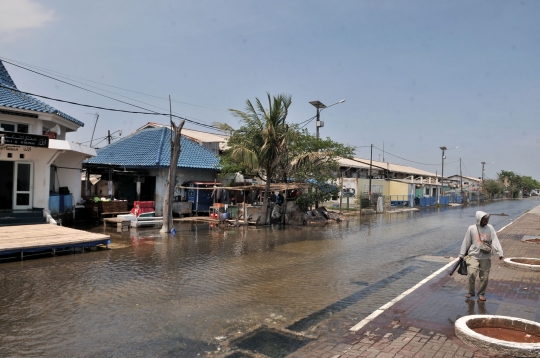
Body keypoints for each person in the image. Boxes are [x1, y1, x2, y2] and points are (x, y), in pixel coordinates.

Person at [459, 211, 504, 301]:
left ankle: (481, 294)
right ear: (479, 219)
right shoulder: (471, 228)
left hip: (486, 256)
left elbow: (495, 240)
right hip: (473, 255)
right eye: (484, 218)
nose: (486, 220)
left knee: (484, 277)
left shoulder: (490, 228)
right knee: (471, 273)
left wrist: (500, 252)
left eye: (487, 218)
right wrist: (461, 254)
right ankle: (471, 292)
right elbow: (466, 241)